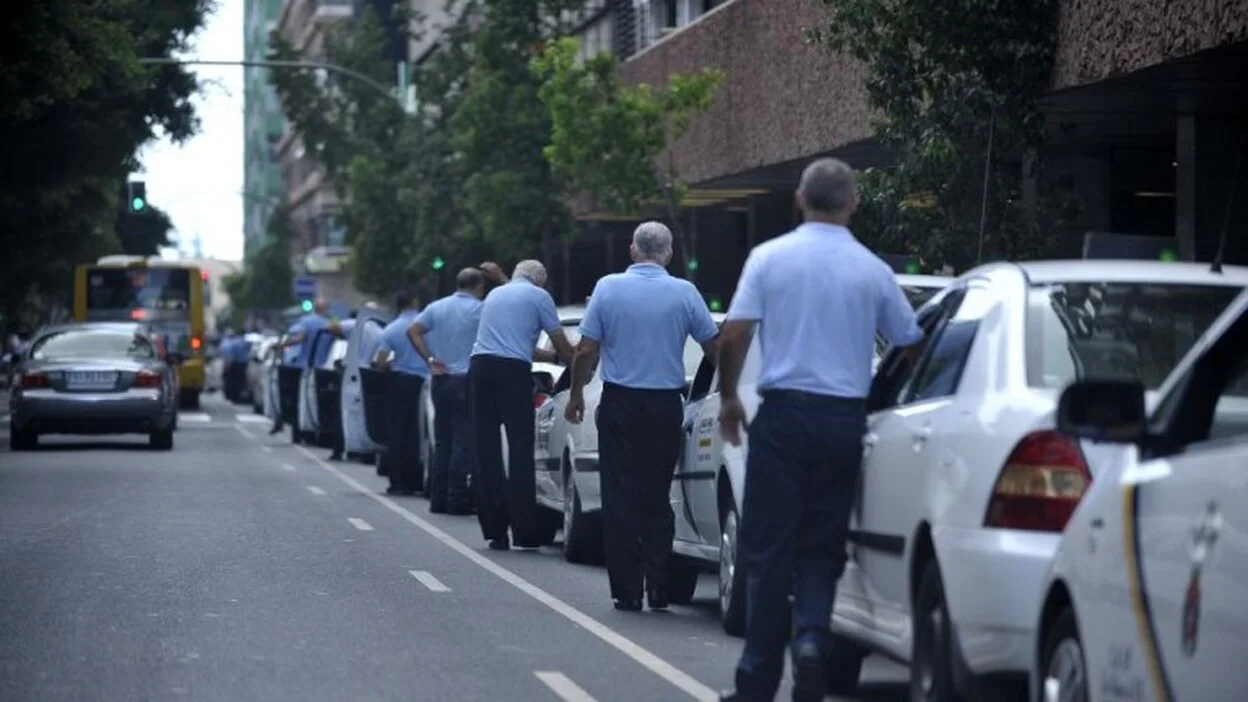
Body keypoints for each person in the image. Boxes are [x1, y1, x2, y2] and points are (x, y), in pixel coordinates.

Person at [715, 158, 924, 702]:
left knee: (766, 547)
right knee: (822, 545)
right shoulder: (872, 269)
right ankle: (810, 639)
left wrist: (730, 399)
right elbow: (911, 338)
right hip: (842, 420)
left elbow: (734, 335)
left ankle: (757, 680)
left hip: (782, 416)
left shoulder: (769, 258)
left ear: (799, 201)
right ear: (854, 204)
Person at [564, 222, 719, 611]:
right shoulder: (685, 292)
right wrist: (728, 389)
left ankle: (627, 590)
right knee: (656, 494)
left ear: (633, 250)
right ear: (668, 254)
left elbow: (585, 349)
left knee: (620, 497)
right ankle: (660, 586)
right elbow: (713, 347)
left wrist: (577, 394)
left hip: (619, 403)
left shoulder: (608, 287)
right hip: (666, 405)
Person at [469, 260, 574, 551]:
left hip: (480, 368)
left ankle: (495, 530)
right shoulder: (540, 297)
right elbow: (562, 347)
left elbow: (512, 338)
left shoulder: (495, 295)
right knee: (520, 449)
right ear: (540, 280)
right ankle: (524, 530)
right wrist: (578, 359)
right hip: (512, 373)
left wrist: (550, 358)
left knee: (486, 450)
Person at [407, 268, 486, 515]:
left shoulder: (436, 307)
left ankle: (438, 497)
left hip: (440, 380)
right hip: (465, 379)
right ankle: (456, 496)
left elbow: (413, 330)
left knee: (443, 441)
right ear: (478, 286)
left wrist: (429, 358)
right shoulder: (480, 309)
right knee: (463, 441)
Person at [372, 290, 428, 496]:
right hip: (427, 383)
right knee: (421, 432)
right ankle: (418, 478)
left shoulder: (391, 329)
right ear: (414, 301)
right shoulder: (427, 323)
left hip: (400, 383)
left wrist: (390, 364)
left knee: (399, 433)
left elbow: (379, 361)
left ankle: (398, 481)